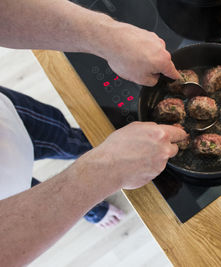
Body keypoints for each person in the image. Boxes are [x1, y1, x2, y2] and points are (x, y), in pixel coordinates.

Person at [0, 0, 187, 266]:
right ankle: (94, 210)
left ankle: (83, 152)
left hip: (7, 120)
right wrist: (103, 170)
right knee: (62, 193)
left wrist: (107, 36)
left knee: (66, 137)